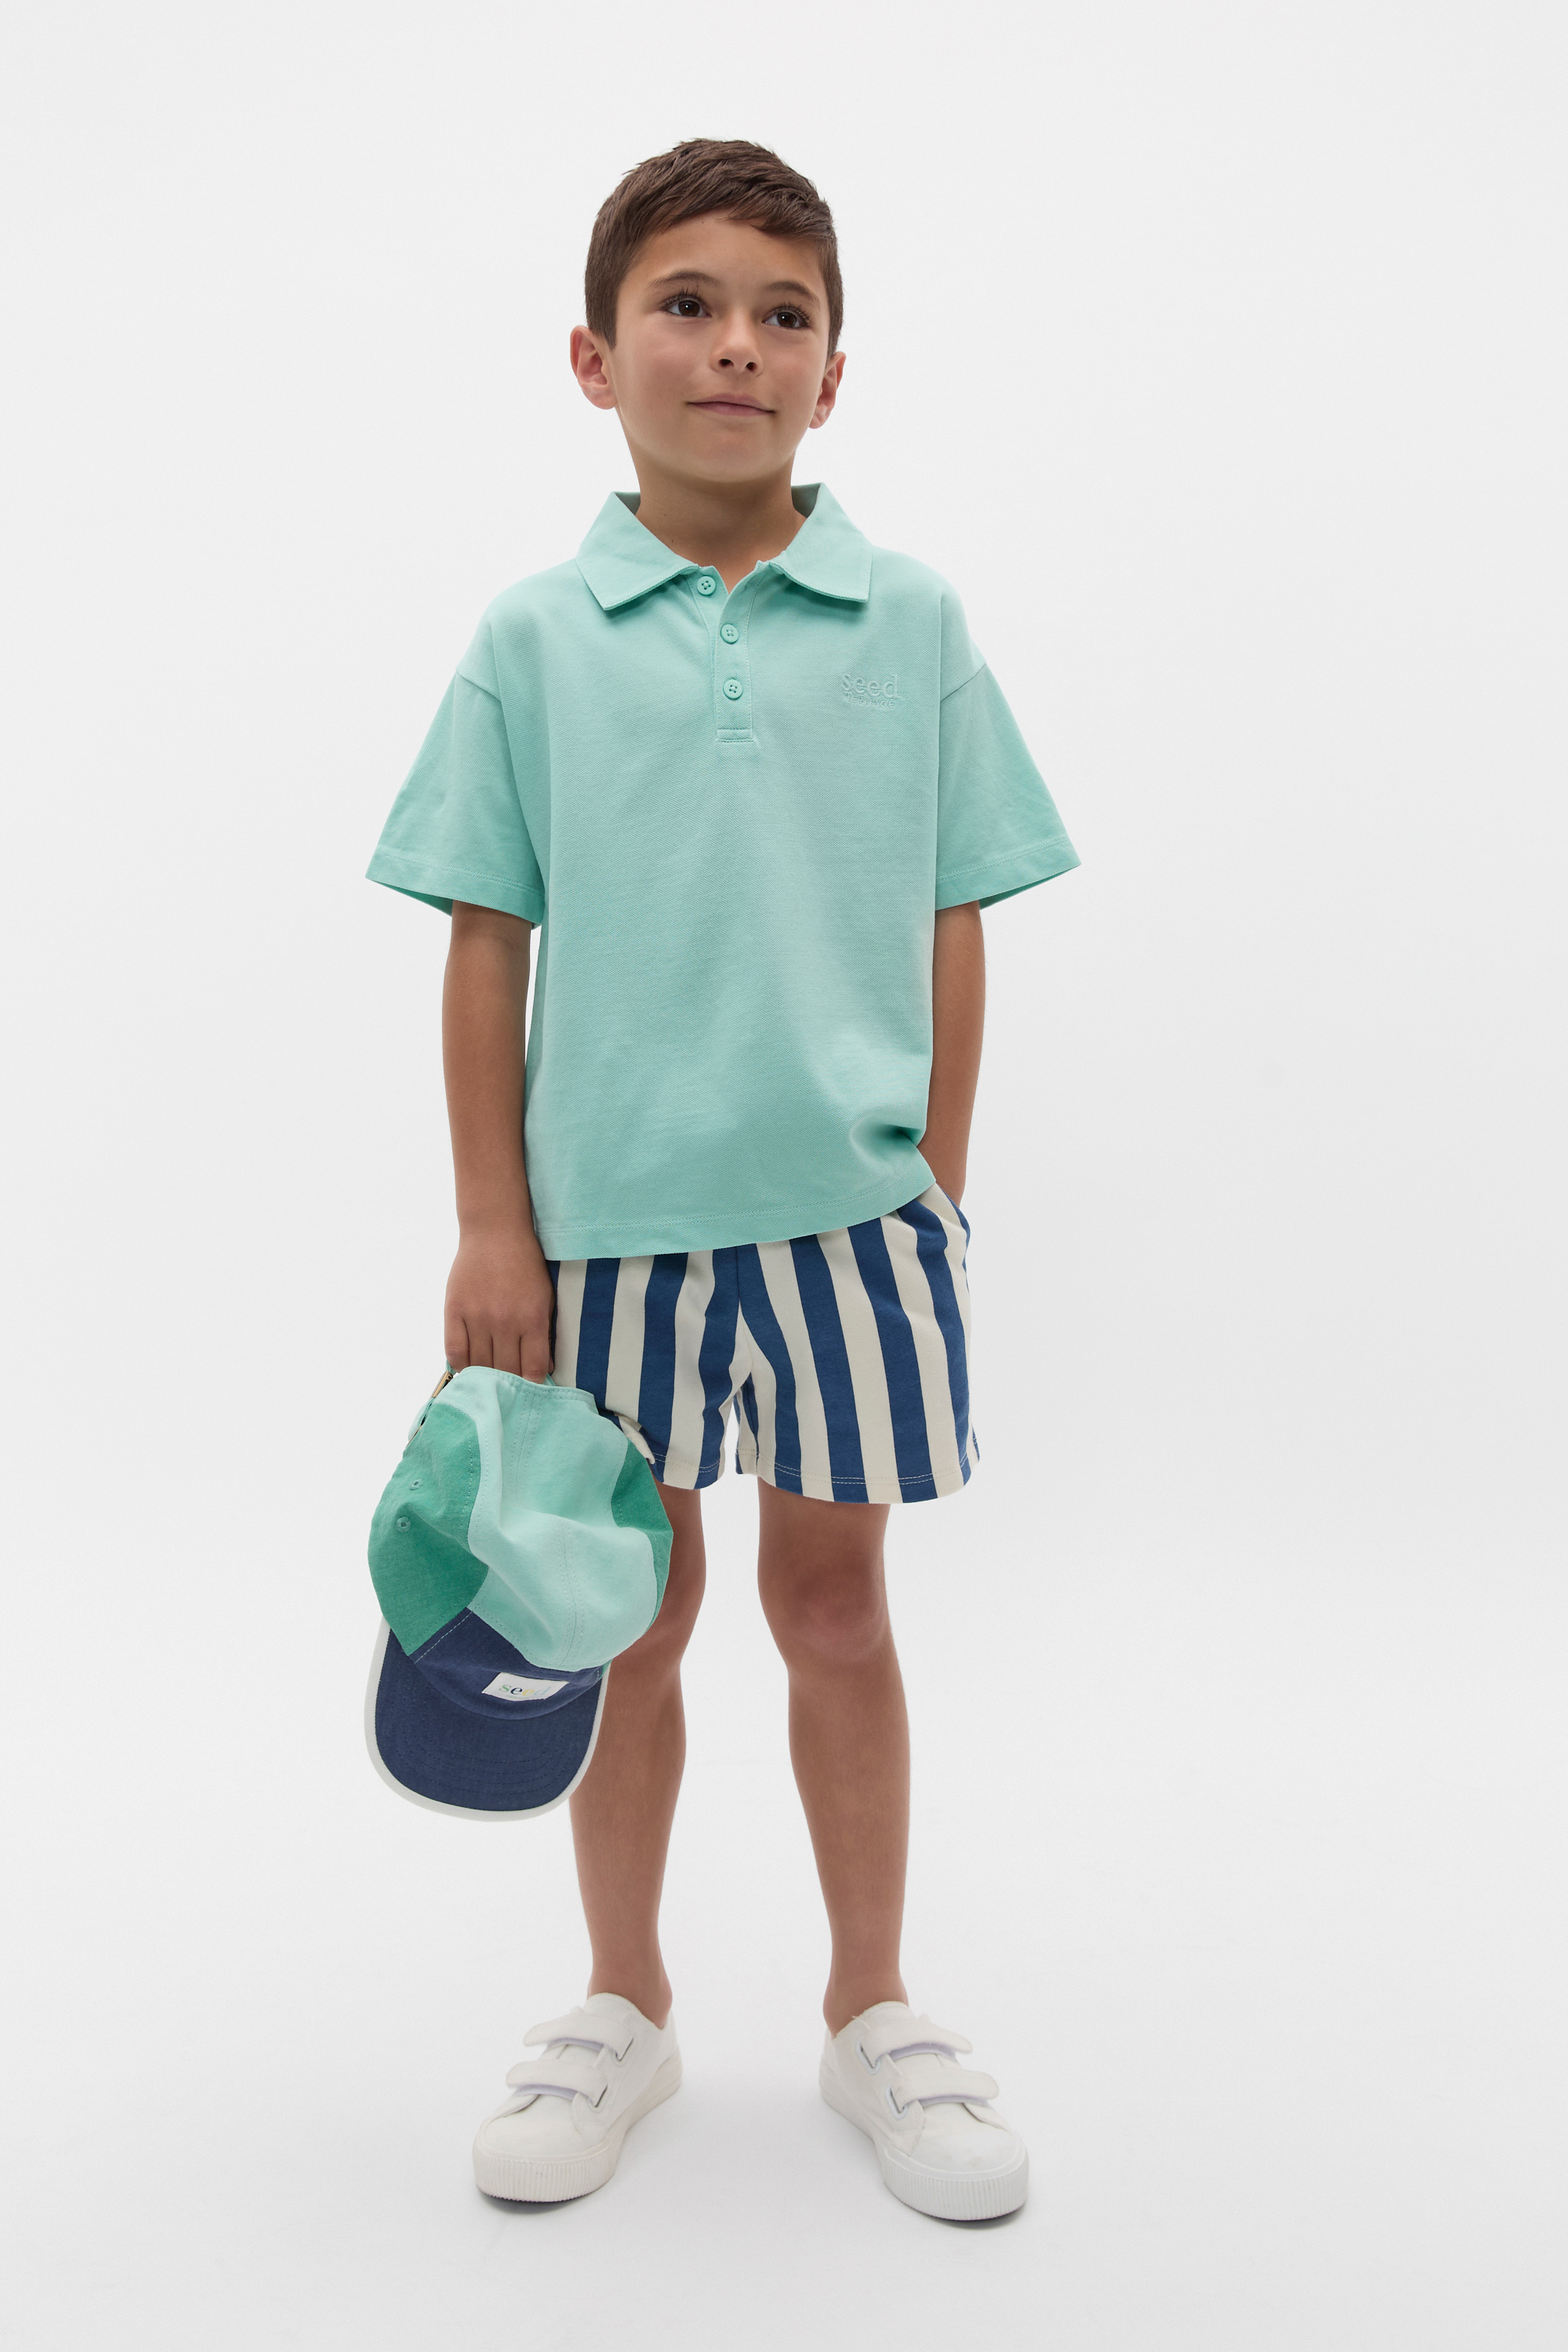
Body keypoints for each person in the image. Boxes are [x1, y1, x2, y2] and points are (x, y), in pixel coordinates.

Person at [368, 137, 1078, 2220]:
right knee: (637, 1619)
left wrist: (936, 1180)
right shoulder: (531, 640)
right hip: (609, 1244)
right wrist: (494, 1224)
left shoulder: (912, 619)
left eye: (785, 315)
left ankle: (874, 2010)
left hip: (856, 1229)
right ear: (597, 358)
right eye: (687, 305)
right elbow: (484, 938)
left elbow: (958, 907)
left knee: (837, 1608)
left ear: (834, 375)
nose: (737, 346)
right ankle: (624, 2004)